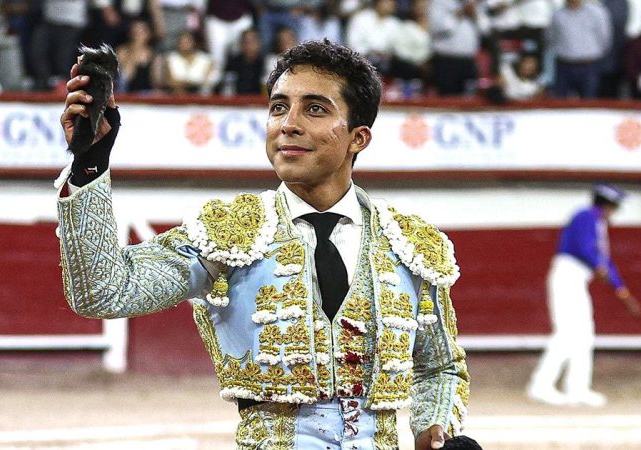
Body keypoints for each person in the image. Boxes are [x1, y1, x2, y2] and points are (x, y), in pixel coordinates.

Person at [57, 39, 470, 449]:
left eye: (315, 109)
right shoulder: (230, 231)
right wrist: (90, 165)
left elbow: (440, 367)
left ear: (358, 138)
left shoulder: (408, 243)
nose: (288, 124)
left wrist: (434, 429)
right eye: (278, 107)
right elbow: (103, 292)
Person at [528, 183, 640, 407]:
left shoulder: (596, 222)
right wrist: (599, 268)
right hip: (568, 276)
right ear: (608, 205)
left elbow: (602, 260)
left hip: (577, 279)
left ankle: (577, 389)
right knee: (567, 333)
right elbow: (587, 249)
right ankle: (541, 385)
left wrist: (621, 289)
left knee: (584, 334)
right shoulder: (585, 216)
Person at [546, 0, 612, 98]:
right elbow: (551, 38)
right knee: (560, 100)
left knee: (589, 100)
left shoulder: (596, 13)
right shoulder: (557, 15)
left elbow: (605, 37)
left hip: (589, 65)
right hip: (564, 64)